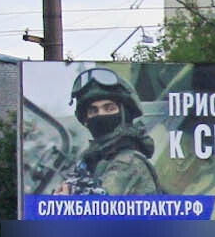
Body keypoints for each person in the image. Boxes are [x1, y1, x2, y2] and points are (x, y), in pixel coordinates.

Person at [58, 66, 162, 196]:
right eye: (93, 110)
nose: (100, 115)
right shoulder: (91, 161)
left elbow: (100, 210)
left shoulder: (127, 163)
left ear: (125, 114)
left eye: (109, 108)